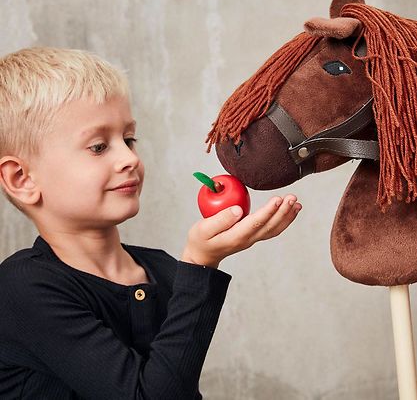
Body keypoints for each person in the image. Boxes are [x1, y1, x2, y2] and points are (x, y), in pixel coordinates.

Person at [0, 47, 302, 399]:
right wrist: (200, 267)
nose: (129, 158)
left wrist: (194, 271)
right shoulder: (21, 289)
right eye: (98, 147)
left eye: (129, 139)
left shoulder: (163, 271)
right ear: (22, 179)